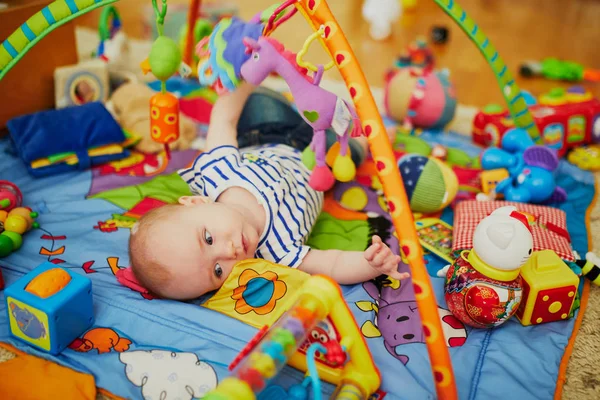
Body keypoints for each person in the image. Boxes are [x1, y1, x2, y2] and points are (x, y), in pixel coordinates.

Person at [128, 83, 408, 299]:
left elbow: (224, 118)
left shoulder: (217, 175)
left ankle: (294, 92)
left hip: (268, 132)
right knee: (355, 147)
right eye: (217, 271)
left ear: (195, 202)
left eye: (208, 238)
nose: (229, 252)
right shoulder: (277, 253)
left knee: (258, 98)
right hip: (322, 162)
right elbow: (332, 264)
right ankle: (369, 136)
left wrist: (247, 75)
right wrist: (370, 265)